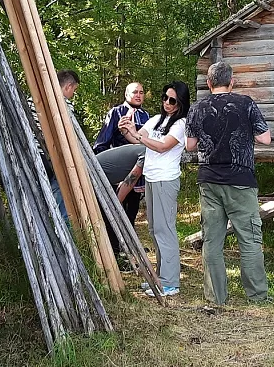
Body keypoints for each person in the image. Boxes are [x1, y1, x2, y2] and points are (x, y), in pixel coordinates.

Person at [185, 62, 271, 305]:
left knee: (212, 240)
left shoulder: (197, 107)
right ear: (232, 82)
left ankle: (216, 297)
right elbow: (265, 138)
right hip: (240, 179)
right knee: (249, 238)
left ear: (209, 83)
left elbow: (190, 145)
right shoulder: (246, 103)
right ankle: (257, 295)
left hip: (209, 180)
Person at [118, 81, 190, 297]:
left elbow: (162, 146)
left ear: (180, 103)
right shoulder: (157, 119)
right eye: (164, 97)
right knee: (154, 229)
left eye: (172, 100)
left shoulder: (181, 124)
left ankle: (170, 282)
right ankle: (160, 277)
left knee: (164, 229)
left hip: (165, 180)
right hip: (151, 178)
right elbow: (136, 138)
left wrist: (137, 135)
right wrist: (125, 128)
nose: (167, 103)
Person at [93, 82, 150, 226]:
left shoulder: (146, 116)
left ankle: (129, 237)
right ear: (126, 94)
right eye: (135, 92)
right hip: (118, 169)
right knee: (114, 211)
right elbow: (102, 142)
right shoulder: (116, 112)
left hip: (138, 171)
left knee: (132, 211)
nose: (138, 95)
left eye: (141, 92)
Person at [46, 70, 81, 220]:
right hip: (54, 156)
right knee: (60, 193)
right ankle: (61, 226)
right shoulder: (64, 105)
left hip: (33, 153)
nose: (73, 94)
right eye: (74, 90)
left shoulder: (34, 99)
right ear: (68, 86)